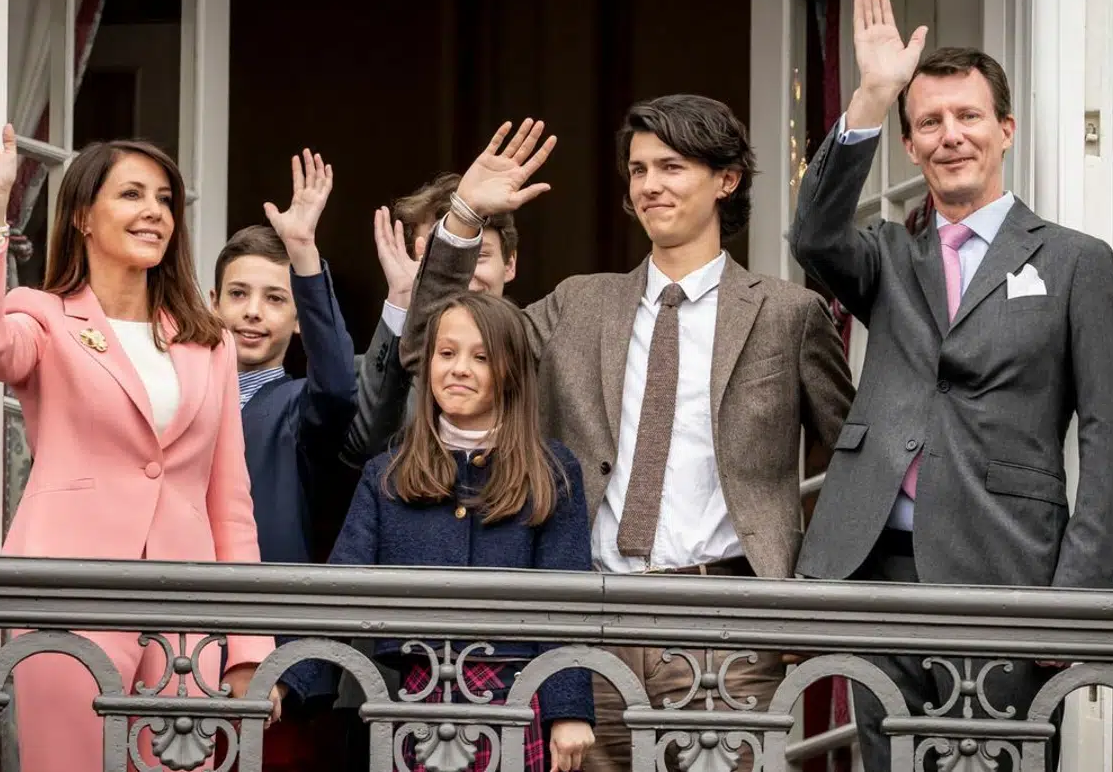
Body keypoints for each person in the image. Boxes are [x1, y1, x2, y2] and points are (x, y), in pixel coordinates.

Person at [399, 98, 855, 772]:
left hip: (727, 628)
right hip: (591, 626)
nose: (649, 185)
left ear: (726, 179)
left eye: (671, 167)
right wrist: (464, 217)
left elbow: (855, 460)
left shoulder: (788, 314)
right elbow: (428, 348)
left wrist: (813, 588)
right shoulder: (580, 302)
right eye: (639, 169)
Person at [788, 0, 1113, 771]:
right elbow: (811, 233)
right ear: (910, 146)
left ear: (1005, 130)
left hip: (1006, 569)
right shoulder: (887, 257)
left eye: (968, 117)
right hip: (876, 568)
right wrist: (872, 97)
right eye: (929, 123)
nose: (950, 136)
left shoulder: (1076, 263)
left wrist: (1077, 599)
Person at [0, 97, 279, 772]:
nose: (154, 211)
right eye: (132, 195)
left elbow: (229, 502)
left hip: (186, 609)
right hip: (66, 596)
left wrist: (249, 649)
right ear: (82, 217)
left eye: (165, 199)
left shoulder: (208, 341)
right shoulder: (43, 316)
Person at [321, 291, 596, 772]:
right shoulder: (387, 473)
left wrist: (568, 710)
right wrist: (286, 680)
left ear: (511, 371)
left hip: (518, 696)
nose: (459, 369)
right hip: (417, 700)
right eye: (446, 353)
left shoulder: (552, 470)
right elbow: (336, 592)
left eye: (481, 357)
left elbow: (568, 603)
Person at [207, 153, 358, 770]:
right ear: (211, 302)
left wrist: (304, 258)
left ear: (298, 321)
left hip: (275, 673)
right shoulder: (179, 401)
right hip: (175, 649)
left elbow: (339, 388)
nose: (252, 311)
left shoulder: (297, 407)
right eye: (238, 294)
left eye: (275, 299)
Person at [341, 174, 519, 470]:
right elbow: (368, 449)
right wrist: (402, 296)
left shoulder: (538, 353)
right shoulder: (373, 371)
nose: (462, 276)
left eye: (480, 256)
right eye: (441, 259)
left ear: (510, 263)